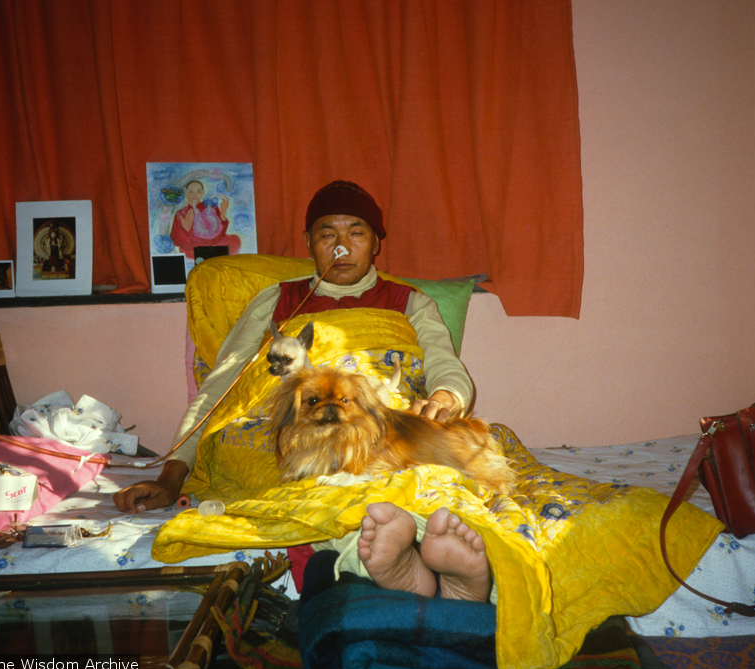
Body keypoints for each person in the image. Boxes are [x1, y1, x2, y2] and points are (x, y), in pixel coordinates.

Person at [115, 180, 492, 602]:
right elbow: (220, 388)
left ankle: (394, 553)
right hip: (287, 428)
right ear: (309, 242)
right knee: (301, 467)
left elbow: (447, 368)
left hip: (375, 420)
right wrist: (170, 477)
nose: (342, 247)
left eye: (356, 233)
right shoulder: (277, 299)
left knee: (452, 454)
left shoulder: (410, 301)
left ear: (376, 245)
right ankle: (394, 559)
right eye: (328, 234)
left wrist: (445, 398)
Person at [169, 179, 241, 260]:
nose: (195, 195)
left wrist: (223, 213)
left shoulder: (211, 207)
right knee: (188, 251)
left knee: (235, 240)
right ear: (186, 192)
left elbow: (221, 234)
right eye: (191, 192)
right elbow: (175, 241)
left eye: (198, 191)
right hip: (194, 248)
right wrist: (186, 229)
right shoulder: (181, 213)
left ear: (203, 193)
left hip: (214, 244)